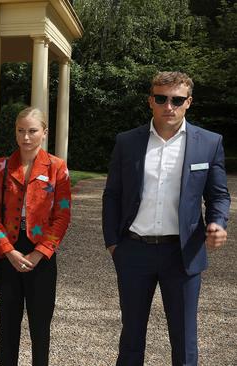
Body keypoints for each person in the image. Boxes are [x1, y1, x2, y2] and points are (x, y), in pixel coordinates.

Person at [102, 71, 230, 366]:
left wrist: (218, 223)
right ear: (150, 101)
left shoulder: (208, 143)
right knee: (131, 337)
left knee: (185, 342)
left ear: (189, 102)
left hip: (182, 254)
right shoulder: (127, 142)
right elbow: (113, 195)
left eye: (176, 99)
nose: (168, 106)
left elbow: (219, 196)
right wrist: (113, 243)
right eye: (161, 98)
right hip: (134, 251)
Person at [0, 106, 71, 366]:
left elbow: (62, 216)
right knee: (8, 321)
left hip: (41, 254)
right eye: (21, 131)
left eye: (32, 131)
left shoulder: (57, 167)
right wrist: (7, 250)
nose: (26, 137)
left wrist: (40, 252)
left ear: (44, 132)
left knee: (40, 324)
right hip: (9, 251)